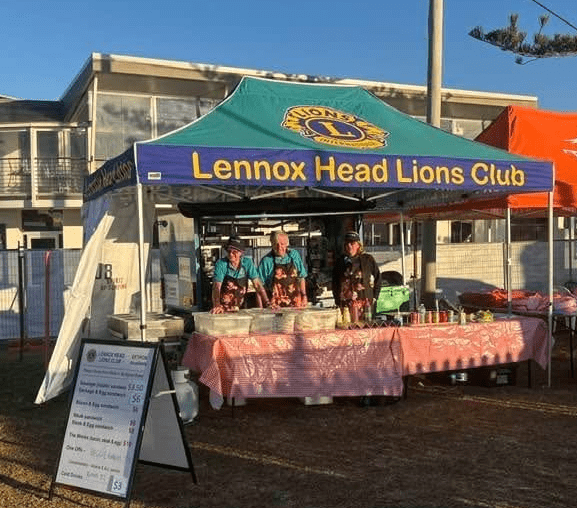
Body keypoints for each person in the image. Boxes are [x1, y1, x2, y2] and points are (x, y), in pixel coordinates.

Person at [210, 236, 270, 314]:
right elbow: (216, 287)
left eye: (234, 252)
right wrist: (217, 305)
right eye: (229, 252)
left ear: (241, 253)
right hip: (223, 308)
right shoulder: (221, 264)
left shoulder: (247, 263)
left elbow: (257, 284)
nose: (231, 254)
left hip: (240, 307)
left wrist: (267, 303)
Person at [332, 231, 382, 320]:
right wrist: (337, 300)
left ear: (358, 245)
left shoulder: (368, 259)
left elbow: (378, 277)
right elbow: (335, 282)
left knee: (367, 328)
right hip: (346, 304)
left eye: (352, 243)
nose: (349, 246)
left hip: (365, 302)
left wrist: (375, 297)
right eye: (347, 243)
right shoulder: (340, 261)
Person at [257, 230, 308, 308]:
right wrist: (262, 307)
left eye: (282, 244)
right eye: (276, 244)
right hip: (276, 307)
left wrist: (304, 296)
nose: (279, 247)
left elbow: (301, 277)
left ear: (287, 243)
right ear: (272, 244)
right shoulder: (266, 260)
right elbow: (259, 287)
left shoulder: (294, 255)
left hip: (296, 304)